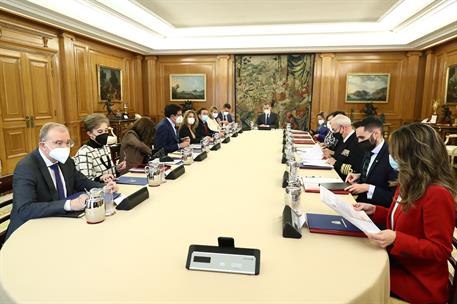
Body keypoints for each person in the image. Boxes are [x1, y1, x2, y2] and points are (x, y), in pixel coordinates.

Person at [355, 123, 456, 303]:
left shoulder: (438, 194)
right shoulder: (407, 181)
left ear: (414, 156)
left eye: (396, 153)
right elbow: (402, 219)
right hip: (397, 265)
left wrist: (396, 239)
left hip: (417, 282)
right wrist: (374, 210)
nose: (391, 157)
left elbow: (440, 249)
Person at [6, 123, 117, 240]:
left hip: (58, 223)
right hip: (29, 231)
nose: (65, 147)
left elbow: (82, 182)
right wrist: (69, 205)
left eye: (67, 143)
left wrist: (104, 187)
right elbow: (25, 209)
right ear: (43, 145)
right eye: (58, 143)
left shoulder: (65, 160)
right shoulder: (27, 167)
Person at [345, 117, 397, 207]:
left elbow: (393, 197)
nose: (359, 141)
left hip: (378, 210)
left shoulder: (392, 157)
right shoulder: (368, 149)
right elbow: (374, 174)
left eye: (362, 137)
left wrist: (368, 188)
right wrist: (359, 176)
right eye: (358, 138)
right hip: (360, 204)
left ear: (376, 134)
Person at [74, 114, 126, 182]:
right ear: (90, 133)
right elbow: (85, 181)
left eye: (106, 130)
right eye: (100, 131)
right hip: (98, 190)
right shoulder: (84, 152)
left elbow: (106, 171)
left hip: (112, 185)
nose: (104, 134)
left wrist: (116, 169)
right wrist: (100, 178)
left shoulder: (105, 146)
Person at [325, 114, 364, 180]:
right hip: (335, 174)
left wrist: (335, 163)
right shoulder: (343, 139)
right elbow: (338, 156)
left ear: (343, 128)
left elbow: (355, 170)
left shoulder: (356, 142)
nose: (333, 133)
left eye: (334, 130)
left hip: (345, 180)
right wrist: (330, 158)